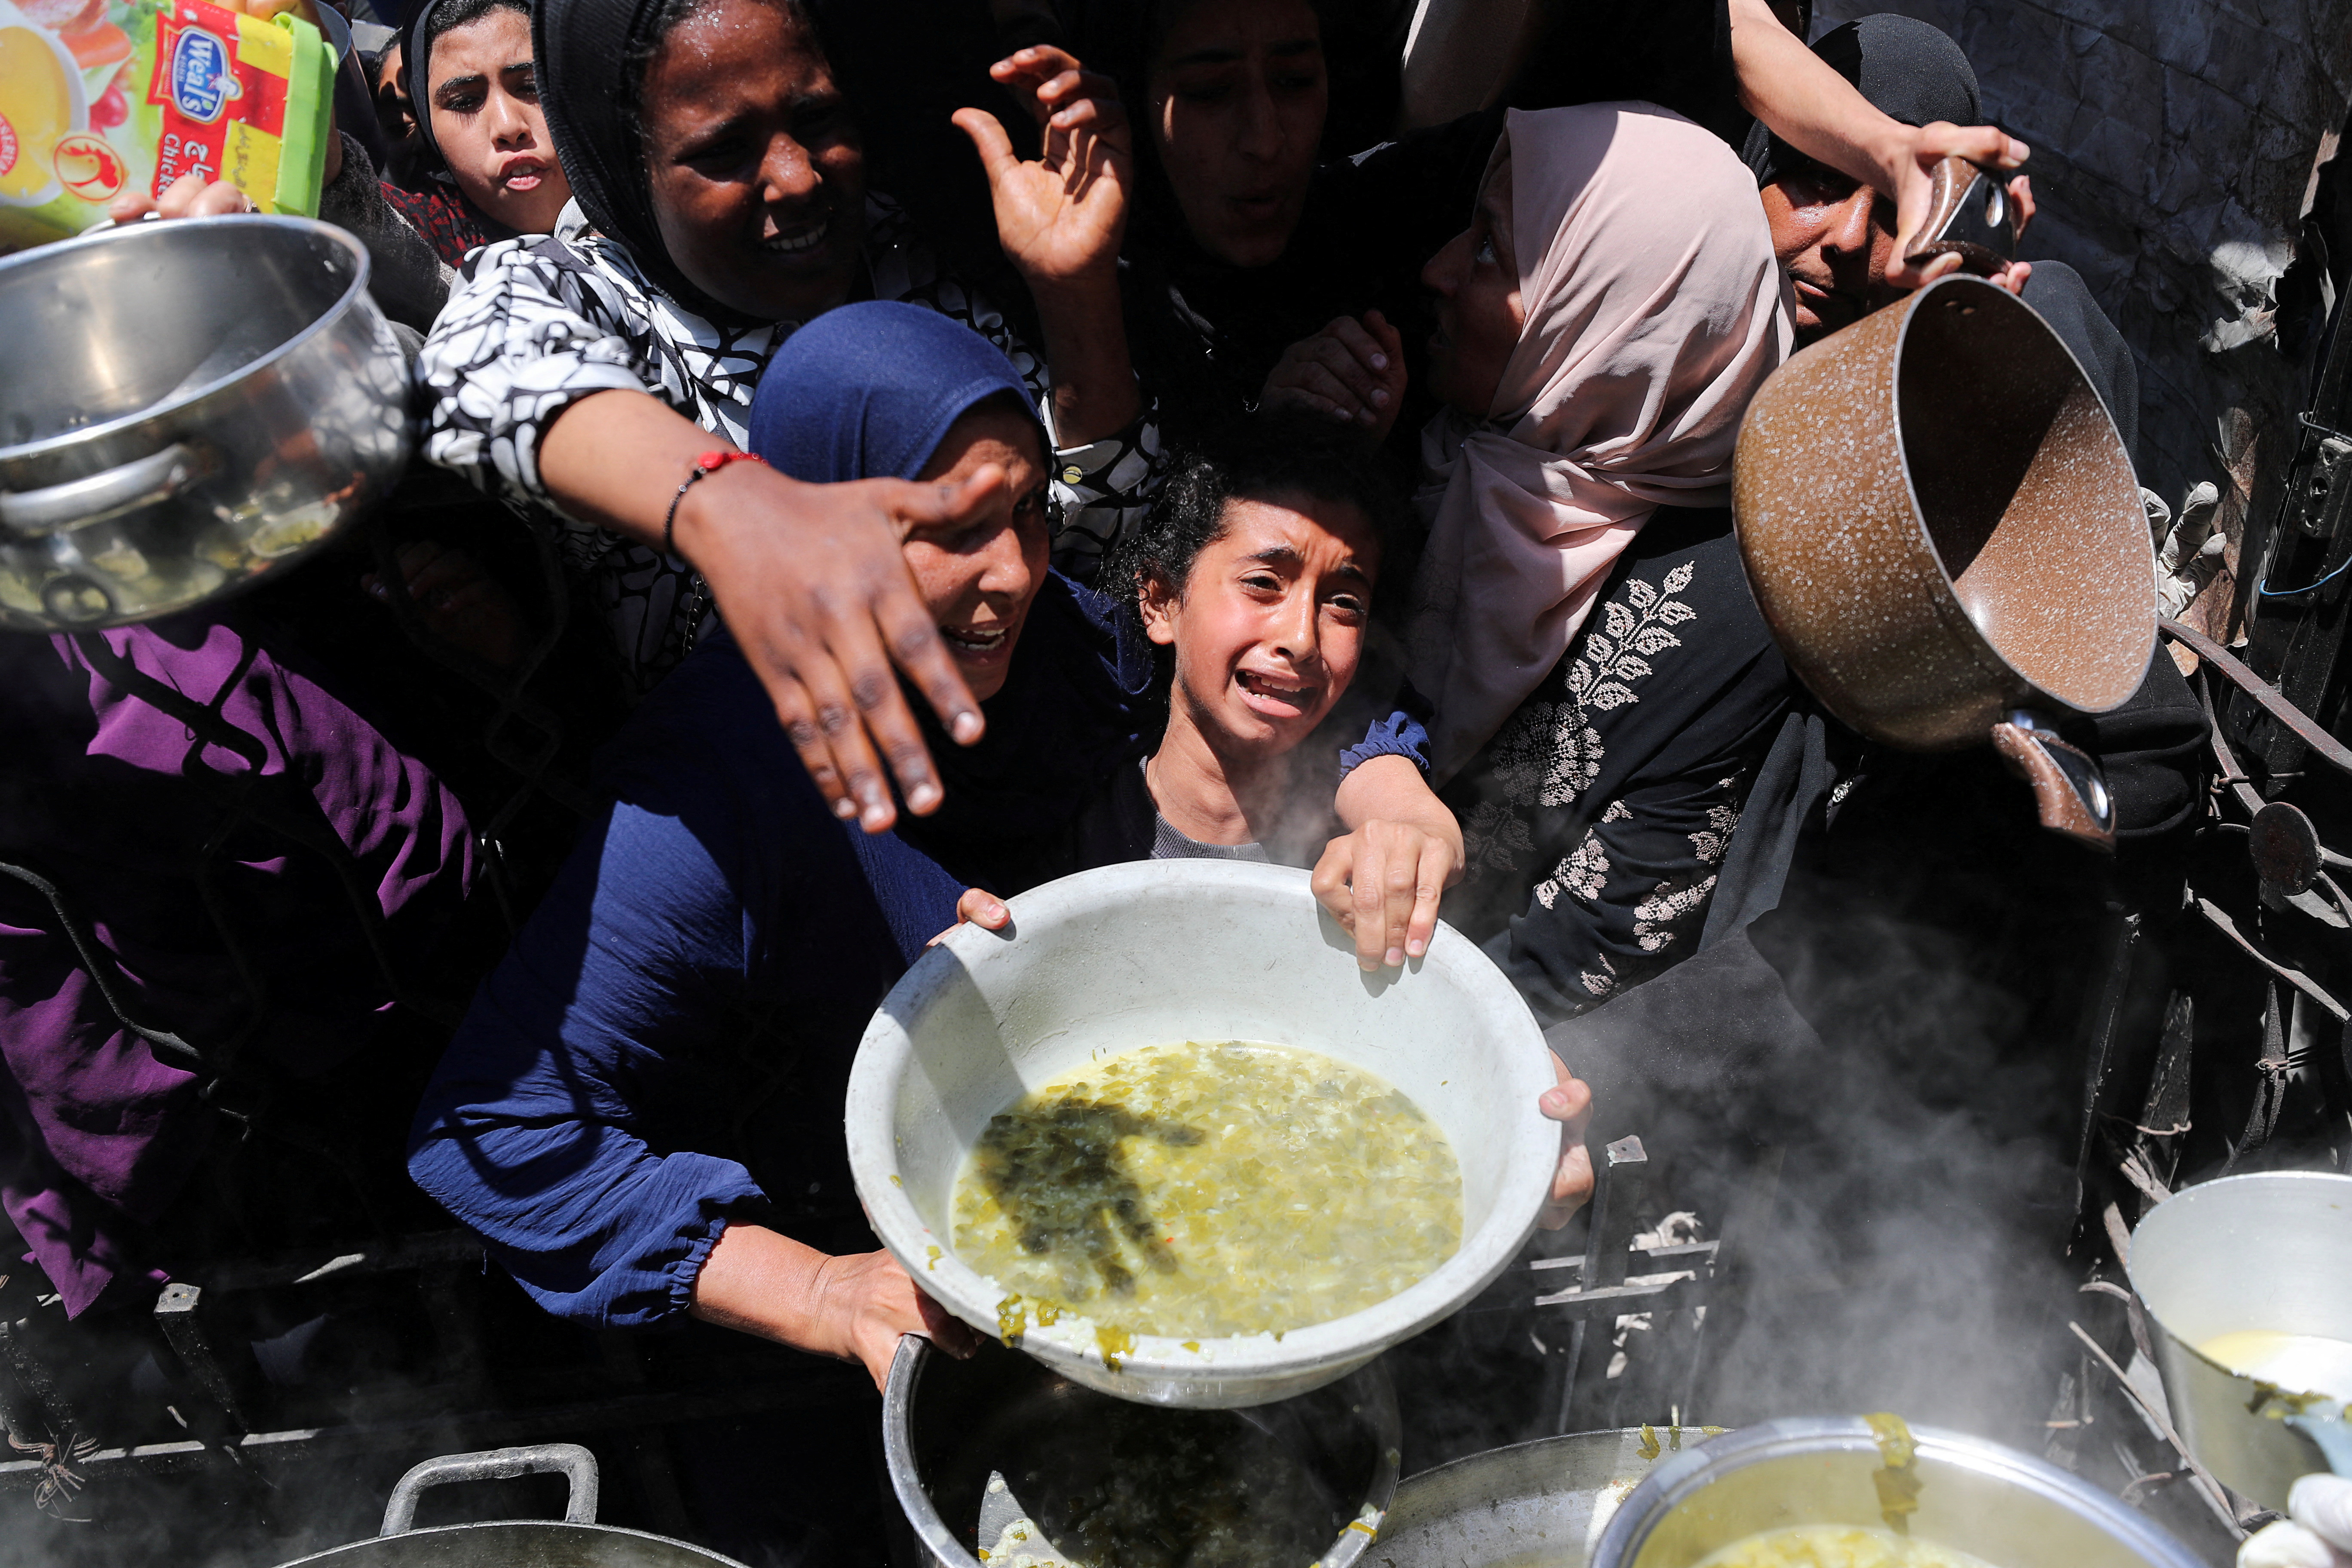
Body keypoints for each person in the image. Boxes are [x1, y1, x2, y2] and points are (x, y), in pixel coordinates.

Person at [417, 0, 1162, 704]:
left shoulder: (911, 245)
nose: (798, 176)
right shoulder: (584, 294)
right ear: (625, 161)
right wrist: (728, 503)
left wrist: (1074, 290)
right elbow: (483, 372)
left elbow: (1092, 545)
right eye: (724, 151)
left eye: (815, 117)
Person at [1063, 0, 2029, 440]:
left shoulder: (1409, 219)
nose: (1264, 137)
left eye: (1294, 80)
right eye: (1211, 93)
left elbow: (1721, 25)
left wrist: (1888, 153)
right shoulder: (1080, 265)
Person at [1369, 103, 1797, 1022]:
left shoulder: (1730, 613)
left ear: (1614, 317)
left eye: (1490, 250)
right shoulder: (1415, 435)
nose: (1439, 270)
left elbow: (1583, 958)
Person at [386, 0, 574, 263]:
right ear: (430, 131)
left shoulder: (647, 194)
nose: (508, 127)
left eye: (532, 86)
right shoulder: (423, 237)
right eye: (465, 102)